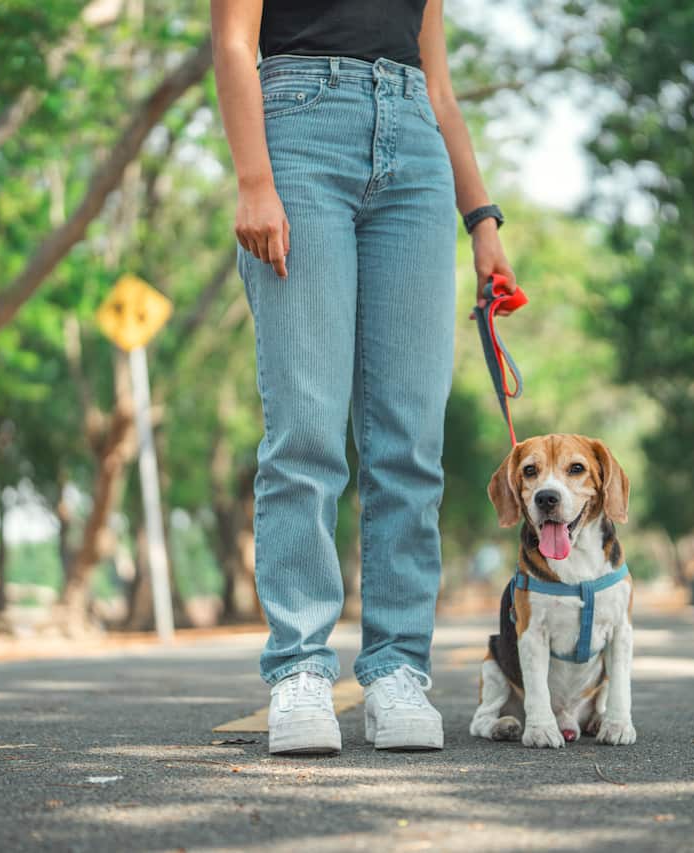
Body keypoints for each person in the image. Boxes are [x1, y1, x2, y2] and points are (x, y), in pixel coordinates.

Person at [210, 0, 517, 755]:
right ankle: (301, 669)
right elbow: (232, 40)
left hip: (414, 147)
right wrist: (254, 179)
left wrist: (482, 220)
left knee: (410, 440)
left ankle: (396, 671)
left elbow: (439, 86)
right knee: (307, 430)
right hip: (300, 128)